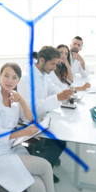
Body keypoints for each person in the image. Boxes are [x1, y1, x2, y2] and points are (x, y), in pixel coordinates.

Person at [0, 63, 56, 192]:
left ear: (19, 81)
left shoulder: (13, 96)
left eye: (14, 77)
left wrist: (22, 101)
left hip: (11, 148)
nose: (9, 81)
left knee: (37, 185)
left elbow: (29, 119)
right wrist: (24, 132)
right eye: (6, 75)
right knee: (45, 166)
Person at [18, 46, 75, 183]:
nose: (55, 68)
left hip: (44, 115)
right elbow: (33, 109)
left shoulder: (43, 73)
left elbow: (52, 89)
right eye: (53, 64)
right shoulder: (27, 79)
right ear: (42, 60)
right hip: (29, 120)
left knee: (64, 129)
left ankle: (45, 165)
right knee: (59, 141)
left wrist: (67, 92)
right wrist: (58, 98)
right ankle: (40, 172)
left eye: (56, 64)